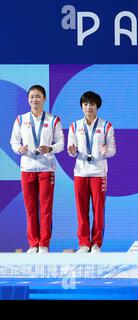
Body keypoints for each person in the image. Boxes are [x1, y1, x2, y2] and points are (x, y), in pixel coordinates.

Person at [10, 85, 64, 253]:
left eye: (38, 96)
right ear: (28, 99)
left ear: (44, 99)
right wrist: (19, 149)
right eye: (32, 96)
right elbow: (13, 141)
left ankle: (44, 244)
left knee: (46, 208)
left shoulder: (53, 120)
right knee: (31, 208)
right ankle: (33, 244)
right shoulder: (20, 119)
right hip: (27, 168)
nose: (35, 99)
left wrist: (50, 149)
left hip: (46, 168)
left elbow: (61, 143)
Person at [67, 91, 116, 253]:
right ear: (81, 106)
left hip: (98, 173)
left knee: (98, 209)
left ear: (97, 106)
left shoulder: (106, 126)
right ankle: (83, 243)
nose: (89, 107)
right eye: (86, 104)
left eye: (92, 104)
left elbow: (112, 151)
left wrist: (106, 151)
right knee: (81, 209)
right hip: (80, 172)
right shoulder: (74, 126)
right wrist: (72, 151)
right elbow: (71, 151)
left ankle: (96, 243)